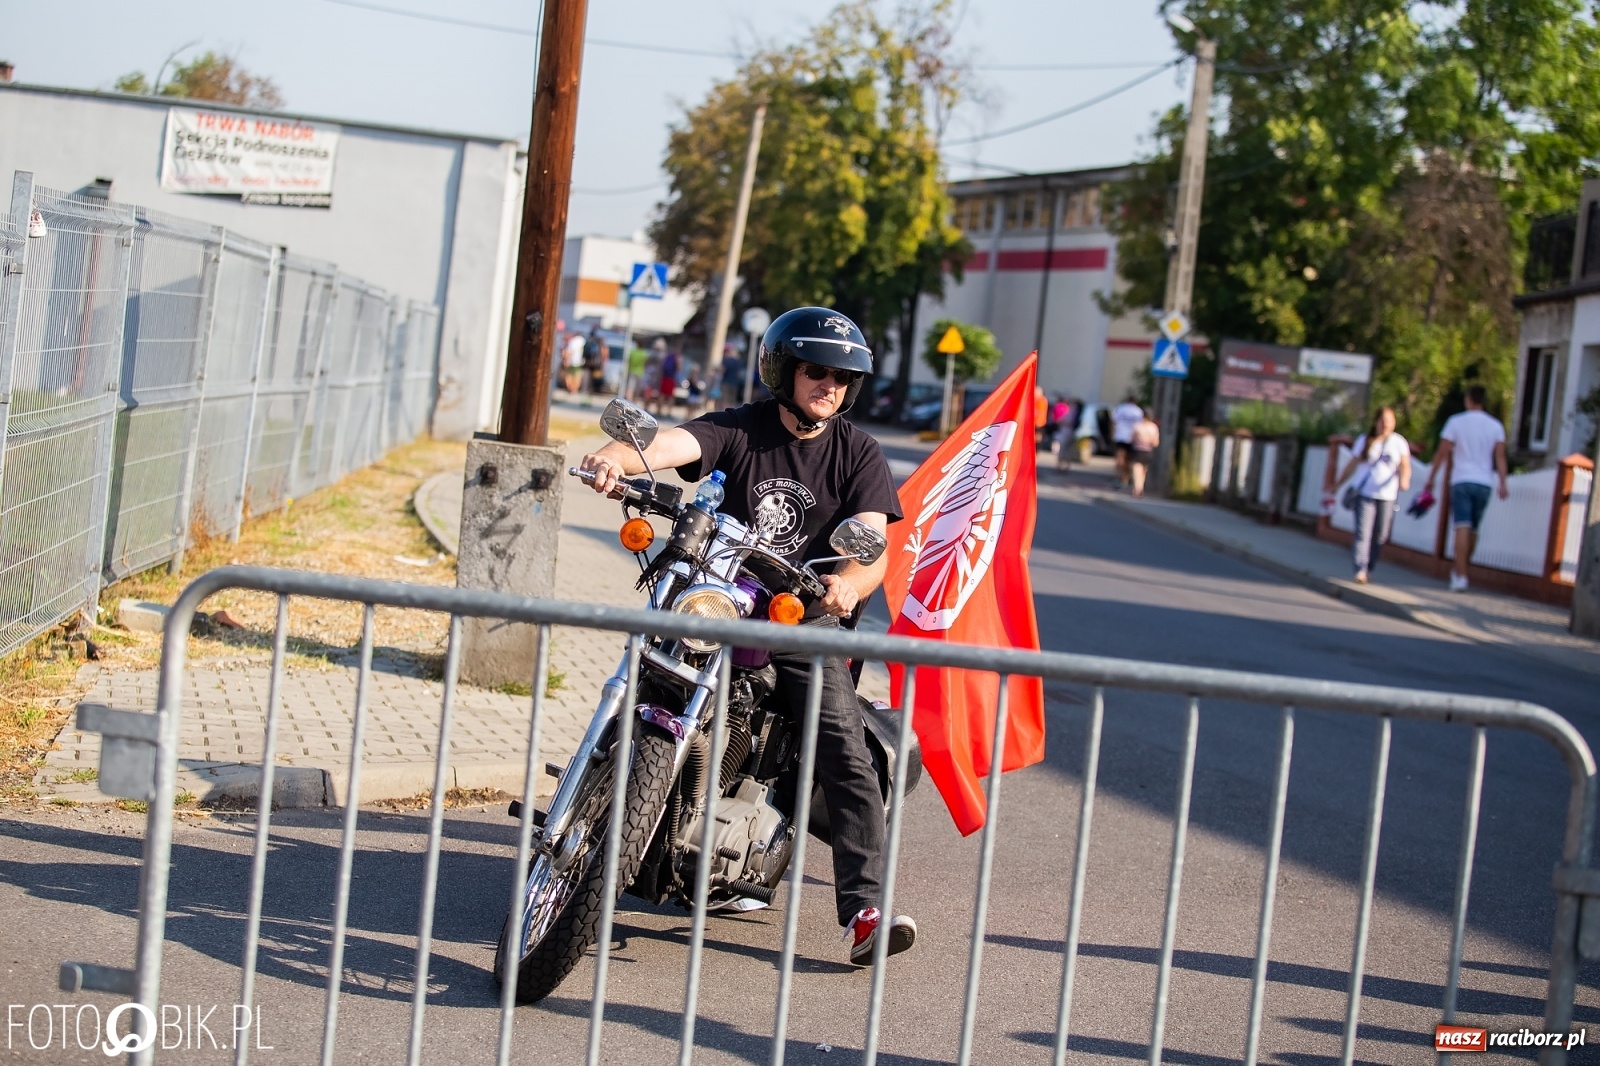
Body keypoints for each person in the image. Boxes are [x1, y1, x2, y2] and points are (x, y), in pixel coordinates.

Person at [577, 306, 915, 966]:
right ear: (783, 370)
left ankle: (866, 906)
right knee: (646, 670)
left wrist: (848, 582)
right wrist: (617, 457)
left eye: (844, 377)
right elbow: (673, 443)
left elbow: (874, 542)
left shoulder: (857, 453)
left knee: (841, 738)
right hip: (722, 595)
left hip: (803, 614)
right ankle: (596, 807)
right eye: (818, 371)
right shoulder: (742, 428)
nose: (831, 385)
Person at [1421, 385, 1508, 592]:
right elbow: (1500, 457)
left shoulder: (1456, 422)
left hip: (1461, 479)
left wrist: (1431, 477)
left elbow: (1442, 452)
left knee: (1462, 526)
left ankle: (1460, 575)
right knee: (1473, 529)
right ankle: (1462, 567)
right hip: (1484, 482)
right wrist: (1503, 483)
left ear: (1468, 400)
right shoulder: (1495, 426)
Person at [1334, 406, 1411, 584]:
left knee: (1380, 535)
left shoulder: (1399, 443)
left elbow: (1405, 465)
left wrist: (1405, 480)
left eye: (1389, 421)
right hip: (1365, 493)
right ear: (1376, 422)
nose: (1385, 424)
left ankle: (1369, 567)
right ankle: (1359, 569)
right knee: (1363, 533)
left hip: (1387, 495)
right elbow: (1352, 464)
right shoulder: (1366, 440)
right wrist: (1338, 483)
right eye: (1382, 420)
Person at [1111, 395, 1144, 487]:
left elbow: (1114, 421)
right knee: (1129, 459)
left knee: (1119, 456)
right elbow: (1141, 425)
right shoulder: (1138, 411)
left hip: (1120, 435)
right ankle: (1125, 478)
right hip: (1132, 437)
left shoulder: (1120, 408)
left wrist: (1113, 434)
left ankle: (1117, 475)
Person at [1128, 410, 1160, 496]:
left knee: (1136, 469)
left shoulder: (1137, 426)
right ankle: (1140, 487)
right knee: (1143, 471)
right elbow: (1156, 442)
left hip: (1138, 449)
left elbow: (1132, 438)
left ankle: (1137, 488)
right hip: (1148, 450)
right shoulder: (1154, 427)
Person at [582, 329, 608, 402]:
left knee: (586, 383)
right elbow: (603, 356)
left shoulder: (587, 343)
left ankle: (584, 399)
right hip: (595, 366)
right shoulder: (599, 345)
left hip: (587, 365)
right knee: (591, 384)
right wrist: (602, 367)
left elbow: (583, 354)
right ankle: (588, 399)